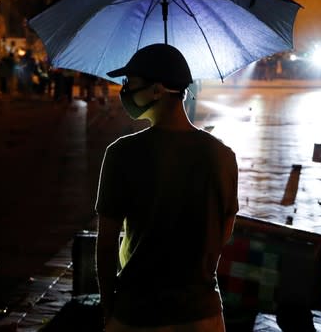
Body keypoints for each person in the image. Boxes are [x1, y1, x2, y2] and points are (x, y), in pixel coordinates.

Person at [95, 43, 239, 332]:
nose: (126, 91)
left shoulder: (122, 153)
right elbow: (225, 232)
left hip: (137, 313)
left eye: (131, 84)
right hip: (204, 315)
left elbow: (106, 244)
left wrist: (108, 307)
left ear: (157, 90)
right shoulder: (223, 155)